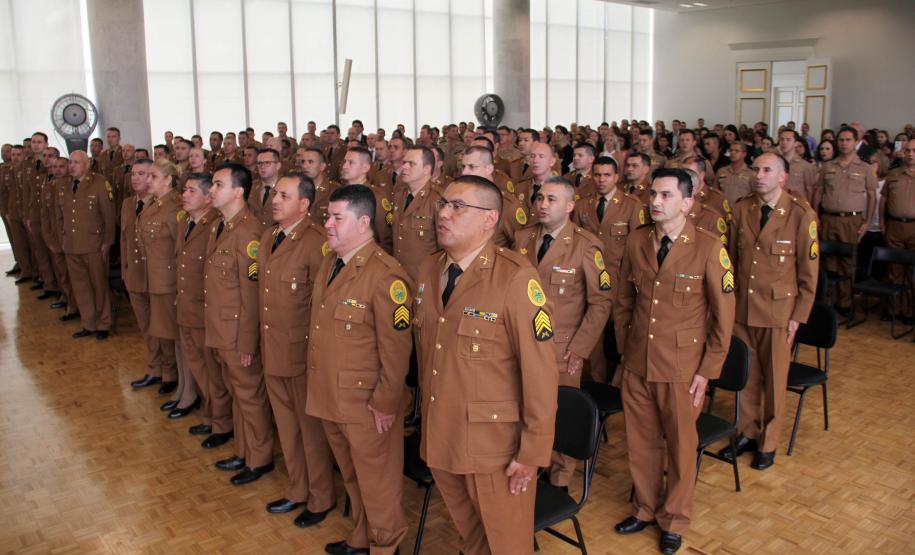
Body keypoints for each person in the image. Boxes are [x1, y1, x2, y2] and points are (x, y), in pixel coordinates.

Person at [413, 175, 557, 553]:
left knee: (507, 544)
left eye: (458, 207)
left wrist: (531, 453)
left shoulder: (515, 279)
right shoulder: (429, 271)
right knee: (472, 538)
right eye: (443, 204)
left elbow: (540, 377)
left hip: (494, 448)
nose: (443, 213)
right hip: (443, 437)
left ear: (489, 220)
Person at [613, 168, 735, 555]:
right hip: (638, 362)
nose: (655, 202)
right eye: (653, 194)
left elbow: (723, 315)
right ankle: (646, 508)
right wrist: (625, 352)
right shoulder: (637, 242)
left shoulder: (708, 247)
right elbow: (623, 302)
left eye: (665, 196)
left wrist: (707, 370)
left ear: (687, 202)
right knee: (641, 443)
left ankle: (675, 519)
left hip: (683, 368)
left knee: (682, 447)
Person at [306, 185, 412, 555]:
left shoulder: (386, 276)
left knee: (377, 482)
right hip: (331, 394)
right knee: (352, 475)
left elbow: (397, 351)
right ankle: (362, 537)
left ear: (364, 222)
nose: (329, 225)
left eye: (338, 218)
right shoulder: (332, 261)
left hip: (366, 403)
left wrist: (385, 402)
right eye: (327, 217)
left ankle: (386, 546)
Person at [719, 153, 818, 471]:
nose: (758, 175)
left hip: (778, 312)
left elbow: (808, 272)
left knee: (775, 380)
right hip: (744, 309)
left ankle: (769, 441)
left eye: (766, 170)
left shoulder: (801, 214)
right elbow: (730, 260)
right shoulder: (742, 208)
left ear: (782, 177)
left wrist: (798, 316)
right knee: (748, 377)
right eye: (756, 169)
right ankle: (747, 431)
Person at [515, 176, 612, 488]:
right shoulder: (522, 238)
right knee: (527, 411)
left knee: (559, 412)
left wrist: (581, 349)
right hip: (520, 344)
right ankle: (533, 465)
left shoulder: (585, 246)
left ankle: (559, 479)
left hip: (562, 348)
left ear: (571, 206)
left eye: (552, 199)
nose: (542, 205)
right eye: (540, 198)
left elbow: (601, 303)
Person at [257, 172, 336, 528]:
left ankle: (320, 497)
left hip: (303, 354)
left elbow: (323, 308)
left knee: (310, 431)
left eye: (284, 196)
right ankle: (296, 488)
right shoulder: (269, 236)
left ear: (304, 205)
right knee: (286, 428)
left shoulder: (317, 243)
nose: (275, 200)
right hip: (273, 348)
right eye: (275, 194)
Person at [205, 163, 275, 486]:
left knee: (250, 396)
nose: (211, 190)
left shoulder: (249, 233)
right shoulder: (222, 226)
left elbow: (252, 296)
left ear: (238, 191)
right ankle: (244, 451)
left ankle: (259, 458)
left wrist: (248, 342)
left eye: (218, 185)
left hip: (237, 334)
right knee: (236, 393)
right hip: (221, 329)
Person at [139, 159, 195, 416]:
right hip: (157, 283)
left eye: (153, 176)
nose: (147, 180)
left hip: (172, 285)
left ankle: (189, 392)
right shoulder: (154, 206)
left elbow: (181, 252)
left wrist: (179, 289)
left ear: (168, 180)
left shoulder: (175, 208)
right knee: (173, 340)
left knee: (183, 341)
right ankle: (182, 387)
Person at [124, 159, 178, 394]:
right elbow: (125, 240)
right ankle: (155, 367)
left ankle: (169, 372)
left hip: (161, 279)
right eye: (135, 174)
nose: (141, 179)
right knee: (148, 327)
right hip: (138, 275)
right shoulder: (130, 204)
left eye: (147, 175)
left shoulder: (172, 207)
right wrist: (126, 269)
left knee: (165, 330)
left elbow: (179, 249)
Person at [813, 127, 878, 313]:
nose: (843, 143)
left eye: (848, 140)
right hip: (828, 218)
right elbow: (818, 192)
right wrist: (815, 215)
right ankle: (829, 301)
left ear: (855, 142)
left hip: (852, 220)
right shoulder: (828, 166)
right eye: (841, 139)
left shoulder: (864, 167)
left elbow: (872, 195)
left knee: (848, 262)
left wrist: (866, 222)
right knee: (828, 261)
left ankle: (845, 303)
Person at [59, 151, 116, 340]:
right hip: (72, 245)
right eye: (70, 162)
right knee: (80, 287)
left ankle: (104, 323)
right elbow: (61, 216)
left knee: (99, 286)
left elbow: (109, 216)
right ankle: (89, 322)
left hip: (94, 244)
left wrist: (107, 242)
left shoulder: (99, 183)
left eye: (76, 162)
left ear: (87, 164)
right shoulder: (65, 184)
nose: (71, 166)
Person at [460, 146, 527, 249]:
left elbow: (520, 244)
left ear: (489, 169)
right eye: (463, 167)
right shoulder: (460, 199)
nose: (464, 172)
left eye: (472, 167)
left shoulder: (507, 205)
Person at [391, 147, 442, 280]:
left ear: (426, 169)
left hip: (424, 279)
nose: (405, 167)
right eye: (404, 163)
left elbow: (444, 248)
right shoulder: (398, 196)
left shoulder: (438, 199)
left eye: (411, 164)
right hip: (398, 277)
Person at [880, 139, 915, 321]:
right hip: (894, 225)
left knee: (911, 273)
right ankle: (893, 309)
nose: (910, 154)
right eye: (908, 150)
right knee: (894, 269)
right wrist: (883, 224)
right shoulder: (893, 174)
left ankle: (909, 311)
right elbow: (884, 200)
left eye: (914, 151)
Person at [778, 129, 818, 202]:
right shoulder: (775, 163)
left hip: (797, 205)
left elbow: (809, 190)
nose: (784, 142)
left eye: (788, 140)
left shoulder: (805, 165)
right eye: (782, 139)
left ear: (795, 143)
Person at [249, 148, 282, 229]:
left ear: (278, 166)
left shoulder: (286, 188)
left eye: (267, 163)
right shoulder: (251, 188)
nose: (262, 167)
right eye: (259, 163)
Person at [715, 142, 756, 206]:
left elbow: (755, 195)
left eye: (736, 151)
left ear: (744, 154)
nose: (733, 153)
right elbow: (715, 192)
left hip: (742, 211)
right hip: (723, 210)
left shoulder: (751, 173)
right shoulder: (721, 171)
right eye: (731, 150)